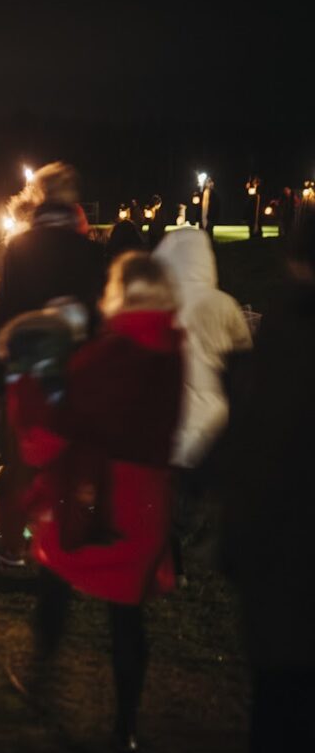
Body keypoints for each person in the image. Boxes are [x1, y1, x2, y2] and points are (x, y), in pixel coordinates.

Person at [7, 252, 182, 753]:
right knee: (127, 615)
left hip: (94, 494)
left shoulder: (107, 354)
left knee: (55, 575)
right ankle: (125, 726)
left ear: (120, 292)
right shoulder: (173, 351)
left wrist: (29, 409)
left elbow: (62, 425)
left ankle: (41, 675)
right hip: (147, 501)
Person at [218, 214, 315, 753]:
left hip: (287, 582)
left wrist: (238, 548)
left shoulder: (287, 342)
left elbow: (258, 461)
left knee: (281, 735)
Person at [0, 161, 106, 565]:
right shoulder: (92, 252)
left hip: (27, 370)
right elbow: (98, 318)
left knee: (20, 458)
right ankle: (61, 541)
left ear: (39, 197)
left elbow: (7, 310)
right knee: (65, 459)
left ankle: (12, 542)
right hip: (76, 370)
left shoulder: (21, 247)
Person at [155, 227, 252, 579]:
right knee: (202, 486)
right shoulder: (223, 303)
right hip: (214, 413)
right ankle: (203, 541)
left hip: (168, 408)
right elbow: (243, 354)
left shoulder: (161, 302)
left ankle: (173, 555)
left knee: (169, 488)